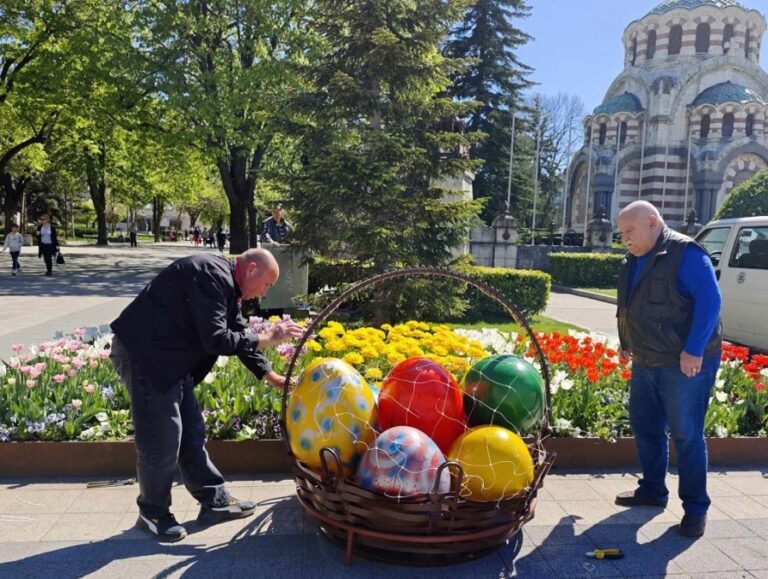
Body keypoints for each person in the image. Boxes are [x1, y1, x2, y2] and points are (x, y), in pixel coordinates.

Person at [110, 249, 304, 542]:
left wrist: (269, 375)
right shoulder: (210, 273)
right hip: (145, 357)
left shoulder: (223, 280)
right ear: (251, 269)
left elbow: (235, 329)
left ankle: (215, 501)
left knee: (191, 433)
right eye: (267, 285)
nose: (264, 294)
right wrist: (266, 337)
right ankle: (153, 513)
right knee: (161, 439)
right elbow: (216, 339)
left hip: (170, 360)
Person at [615, 201, 722, 538]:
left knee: (687, 434)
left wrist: (693, 350)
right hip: (646, 359)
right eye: (622, 235)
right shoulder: (633, 258)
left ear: (651, 222)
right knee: (645, 426)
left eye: (629, 231)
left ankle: (695, 509)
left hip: (683, 363)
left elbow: (711, 301)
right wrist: (626, 341)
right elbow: (632, 304)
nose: (625, 239)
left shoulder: (685, 253)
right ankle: (652, 489)